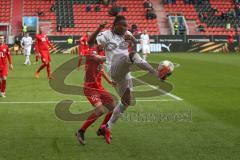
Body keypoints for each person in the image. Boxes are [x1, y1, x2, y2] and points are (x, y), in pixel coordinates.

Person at [88, 16, 167, 144]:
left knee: (126, 102)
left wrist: (133, 42)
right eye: (122, 25)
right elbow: (90, 42)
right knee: (131, 56)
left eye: (126, 26)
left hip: (124, 71)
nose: (125, 28)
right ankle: (156, 73)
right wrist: (99, 28)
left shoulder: (127, 34)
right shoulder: (106, 35)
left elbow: (134, 47)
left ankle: (106, 127)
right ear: (114, 25)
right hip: (113, 68)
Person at [76, 44, 117, 145]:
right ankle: (81, 131)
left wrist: (109, 81)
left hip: (99, 87)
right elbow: (98, 58)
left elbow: (101, 70)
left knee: (112, 106)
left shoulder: (102, 51)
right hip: (90, 88)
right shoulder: (92, 51)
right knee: (100, 110)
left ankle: (102, 129)